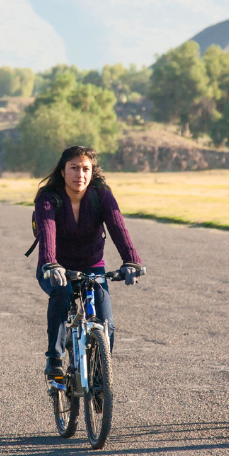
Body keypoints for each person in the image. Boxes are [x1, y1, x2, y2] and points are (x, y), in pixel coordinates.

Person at [34, 145, 144, 380]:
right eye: (74, 168)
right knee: (62, 295)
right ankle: (54, 360)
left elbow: (118, 228)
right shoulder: (48, 198)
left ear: (92, 172)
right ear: (62, 172)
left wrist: (131, 261)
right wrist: (50, 263)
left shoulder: (101, 195)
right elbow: (47, 232)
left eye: (85, 169)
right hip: (56, 268)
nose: (80, 175)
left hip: (92, 267)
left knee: (106, 323)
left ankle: (99, 379)